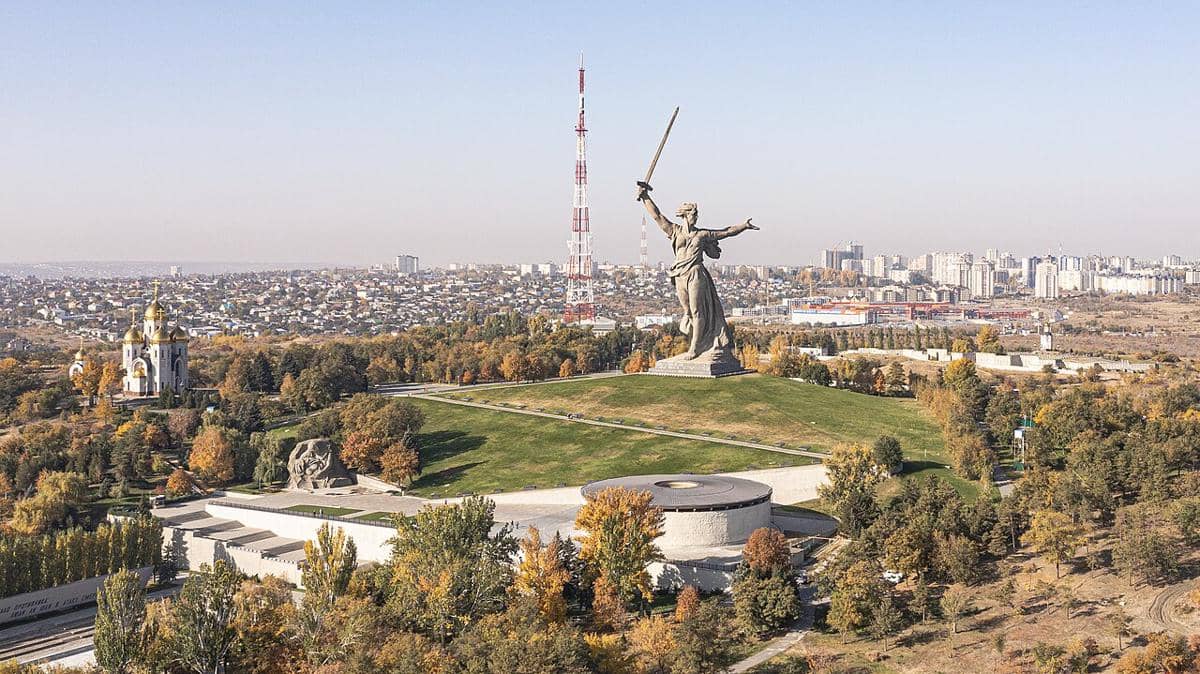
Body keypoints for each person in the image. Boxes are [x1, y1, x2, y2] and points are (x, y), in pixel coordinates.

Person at [637, 182, 759, 359]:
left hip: (695, 274)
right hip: (679, 275)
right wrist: (645, 196)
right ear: (685, 215)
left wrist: (744, 226)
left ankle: (694, 348)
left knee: (696, 310)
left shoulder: (702, 234)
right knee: (687, 311)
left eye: (697, 214)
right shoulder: (675, 231)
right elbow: (657, 216)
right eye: (694, 214)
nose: (696, 217)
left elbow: (726, 232)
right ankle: (700, 338)